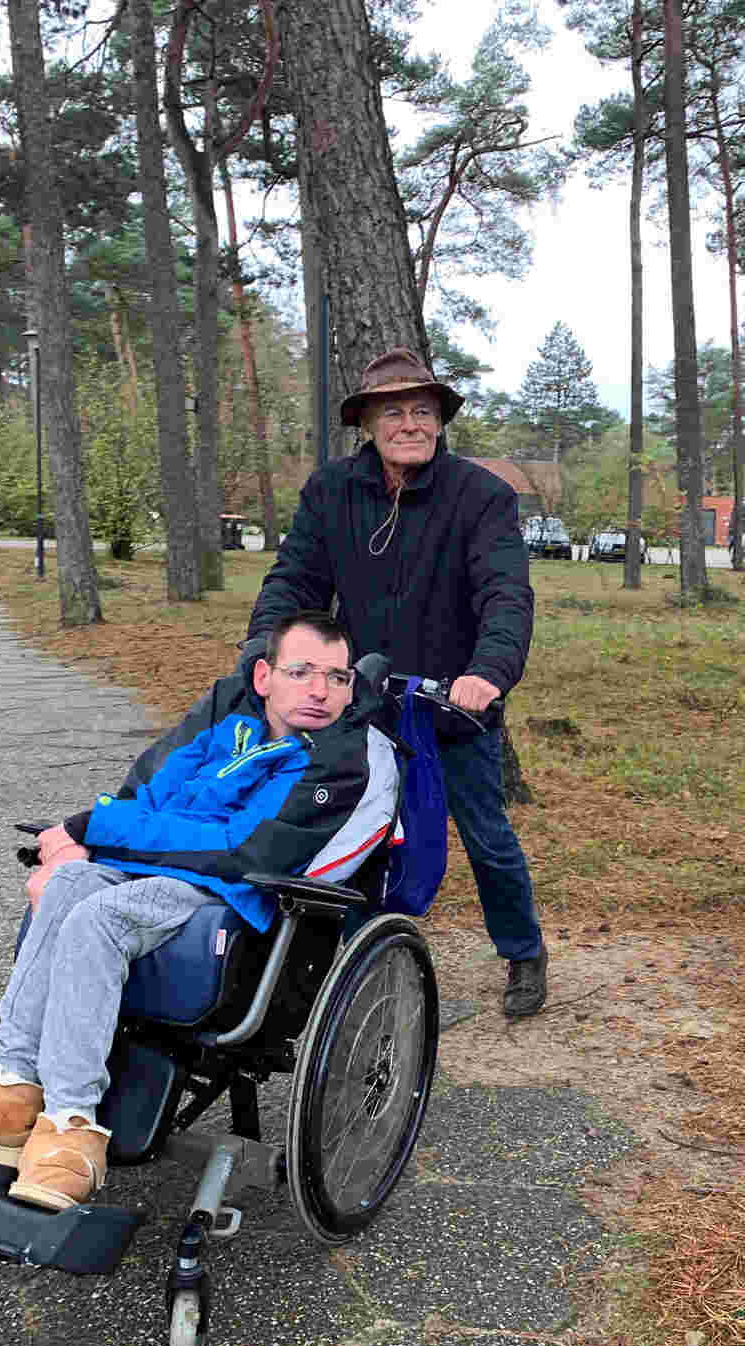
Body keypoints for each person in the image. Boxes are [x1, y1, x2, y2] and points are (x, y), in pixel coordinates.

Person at [0, 612, 397, 1210]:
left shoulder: (335, 758)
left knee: (100, 916)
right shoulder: (229, 726)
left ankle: (71, 1121)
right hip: (165, 867)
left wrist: (92, 828)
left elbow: (241, 849)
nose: (320, 690)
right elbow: (147, 796)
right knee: (69, 884)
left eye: (337, 677)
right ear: (264, 677)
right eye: (301, 672)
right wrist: (88, 841)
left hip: (229, 894)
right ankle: (12, 1088)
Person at [249, 347, 550, 1019]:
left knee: (485, 835)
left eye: (422, 411)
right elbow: (294, 580)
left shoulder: (482, 497)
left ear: (439, 421)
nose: (409, 424)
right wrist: (265, 650)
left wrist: (487, 673)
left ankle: (523, 950)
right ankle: (360, 958)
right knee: (353, 830)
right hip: (359, 704)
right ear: (367, 423)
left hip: (451, 706)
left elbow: (506, 595)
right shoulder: (332, 491)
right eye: (393, 412)